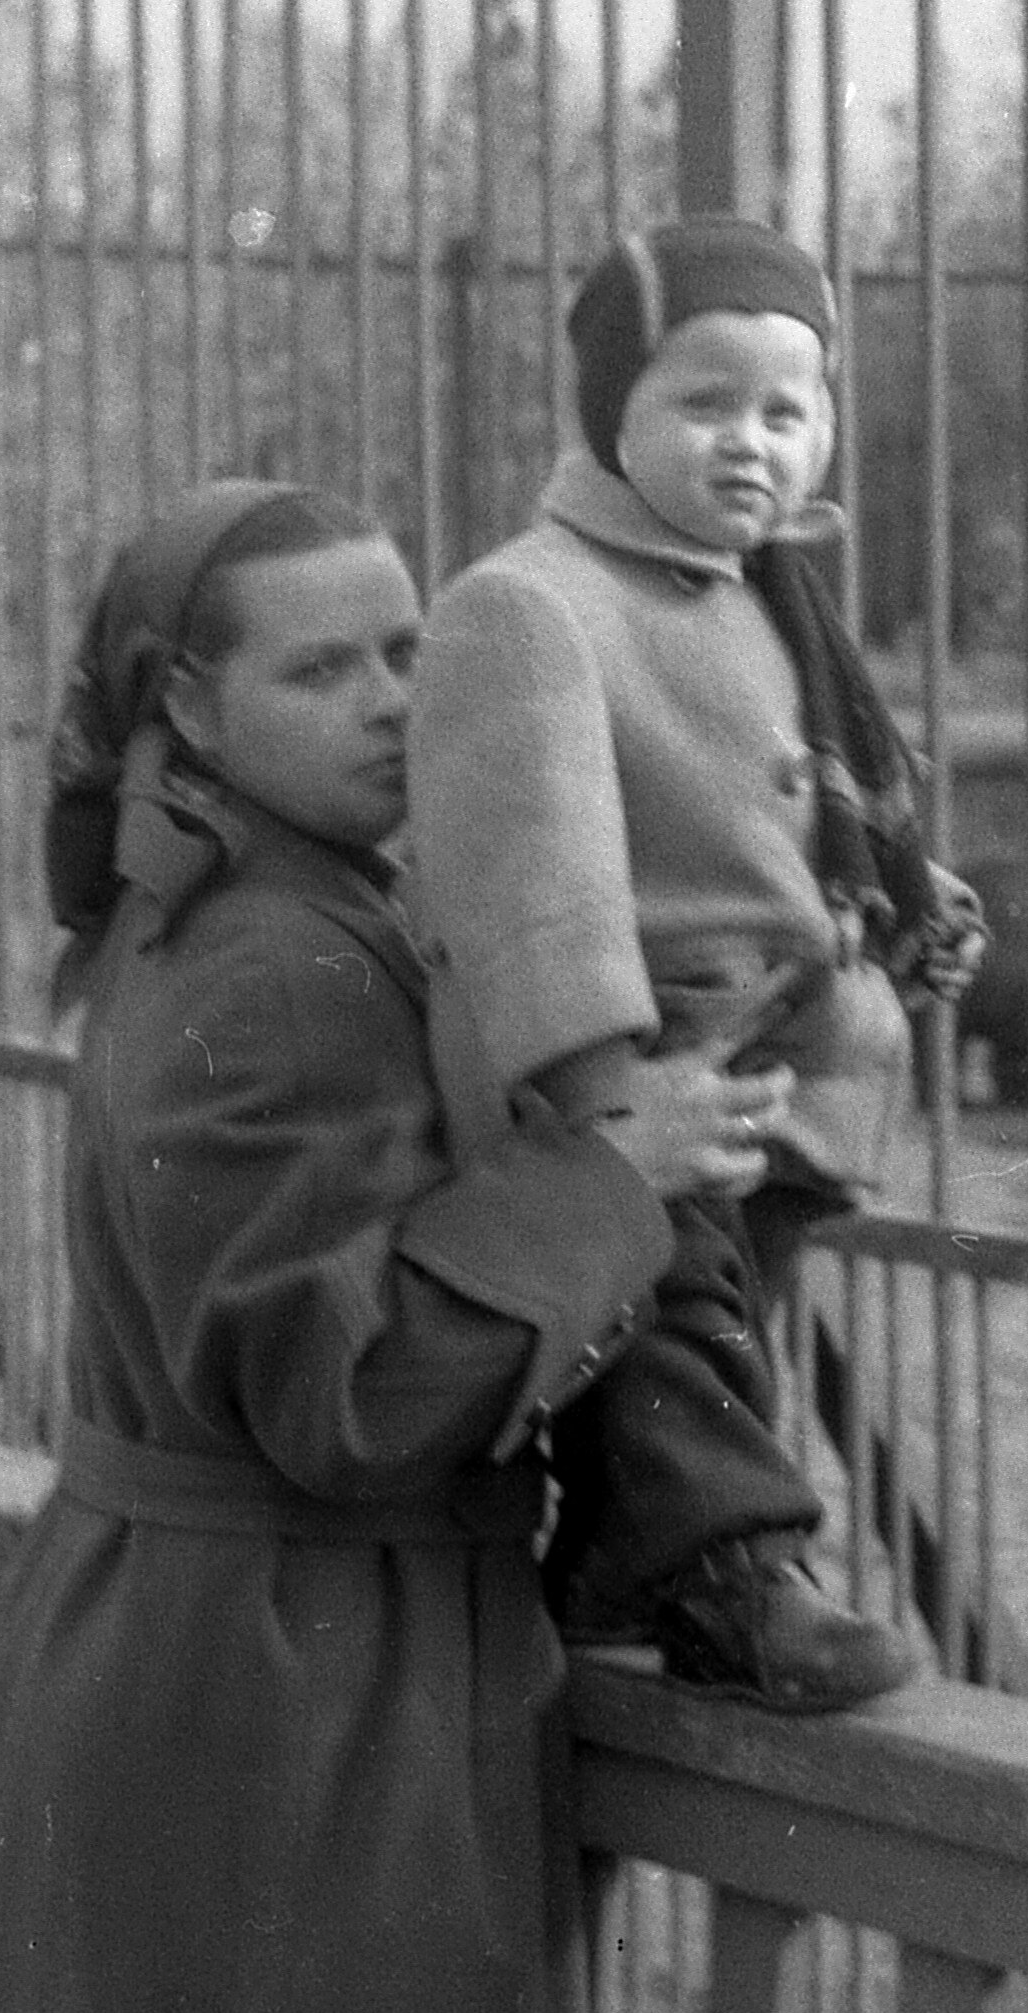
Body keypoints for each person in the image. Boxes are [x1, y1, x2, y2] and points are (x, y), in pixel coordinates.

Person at [0, 479, 785, 2013]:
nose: (391, 698)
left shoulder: (253, 906)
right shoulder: (278, 959)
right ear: (187, 704)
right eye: (320, 667)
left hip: (209, 1654)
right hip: (294, 1698)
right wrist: (611, 1178)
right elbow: (349, 1397)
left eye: (410, 650)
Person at [409, 218, 985, 1717]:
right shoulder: (534, 602)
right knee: (674, 1320)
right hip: (647, 1056)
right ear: (613, 410)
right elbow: (530, 868)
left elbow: (794, 810)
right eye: (703, 402)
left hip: (787, 1046)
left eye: (788, 410)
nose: (752, 442)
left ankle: (620, 1561)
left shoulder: (769, 595)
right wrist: (606, 1099)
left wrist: (906, 901)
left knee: (707, 1331)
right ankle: (729, 1575)